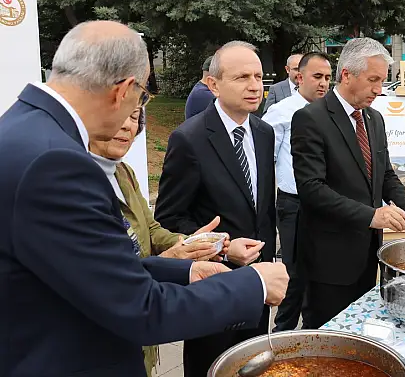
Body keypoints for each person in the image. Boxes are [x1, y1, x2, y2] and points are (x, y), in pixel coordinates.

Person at [0, 21, 288, 377]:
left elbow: (94, 268)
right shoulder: (56, 161)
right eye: (141, 101)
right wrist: (252, 284)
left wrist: (188, 270)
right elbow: (141, 309)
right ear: (124, 91)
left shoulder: (26, 129)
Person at [88, 106, 272, 376]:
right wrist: (176, 261)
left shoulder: (123, 173)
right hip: (106, 333)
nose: (127, 125)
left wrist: (210, 244)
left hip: (137, 339)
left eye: (135, 116)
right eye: (120, 115)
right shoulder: (78, 182)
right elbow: (105, 274)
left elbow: (152, 230)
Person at [291, 38, 405, 329]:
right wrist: (372, 215)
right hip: (329, 261)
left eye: (382, 81)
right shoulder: (311, 119)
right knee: (329, 342)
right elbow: (311, 189)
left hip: (367, 255)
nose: (378, 89)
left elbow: (385, 175)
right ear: (347, 74)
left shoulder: (374, 119)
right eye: (373, 80)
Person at [154, 41, 278, 377]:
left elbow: (262, 208)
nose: (254, 86)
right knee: (212, 367)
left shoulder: (264, 133)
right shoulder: (189, 139)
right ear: (213, 84)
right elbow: (168, 218)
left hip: (257, 281)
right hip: (212, 286)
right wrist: (223, 248)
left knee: (253, 365)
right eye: (241, 77)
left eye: (258, 76)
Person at [262, 52, 332, 332]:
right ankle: (283, 334)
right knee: (293, 272)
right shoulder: (282, 112)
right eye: (317, 77)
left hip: (326, 202)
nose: (324, 83)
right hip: (293, 204)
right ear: (299, 77)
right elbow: (264, 161)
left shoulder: (331, 112)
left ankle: (315, 329)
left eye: (328, 77)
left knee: (321, 270)